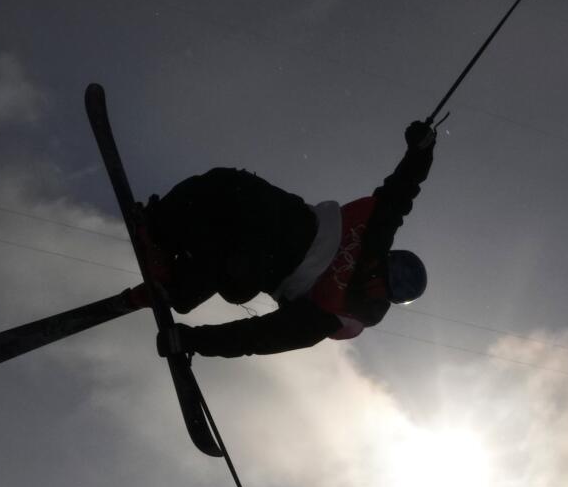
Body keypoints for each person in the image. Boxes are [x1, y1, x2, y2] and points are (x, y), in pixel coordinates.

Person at [124, 120, 437, 358]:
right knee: (224, 210)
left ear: (392, 296)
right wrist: (421, 150)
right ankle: (171, 273)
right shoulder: (374, 243)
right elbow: (402, 190)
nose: (383, 273)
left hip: (273, 252)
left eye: (395, 281)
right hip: (281, 236)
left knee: (229, 223)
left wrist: (195, 341)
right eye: (394, 266)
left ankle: (169, 265)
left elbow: (266, 335)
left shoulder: (343, 311)